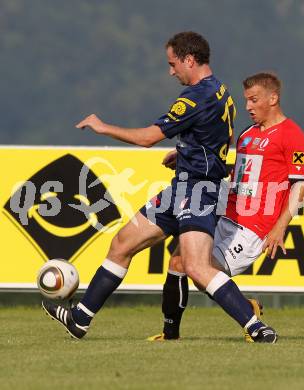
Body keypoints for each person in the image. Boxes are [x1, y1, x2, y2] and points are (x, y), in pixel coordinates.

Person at [42, 32, 277, 343]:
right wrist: (185, 153)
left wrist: (103, 126)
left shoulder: (193, 98)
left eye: (173, 64)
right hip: (181, 187)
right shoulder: (220, 90)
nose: (171, 71)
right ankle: (81, 318)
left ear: (189, 60)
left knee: (195, 266)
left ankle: (255, 327)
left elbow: (147, 139)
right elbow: (216, 138)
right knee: (122, 243)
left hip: (198, 192)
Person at [148, 72, 304, 342]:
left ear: (273, 98)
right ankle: (170, 335)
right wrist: (187, 156)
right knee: (179, 260)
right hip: (228, 212)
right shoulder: (247, 134)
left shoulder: (292, 135)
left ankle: (251, 321)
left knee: (199, 269)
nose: (247, 107)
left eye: (253, 100)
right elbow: (234, 166)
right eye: (246, 100)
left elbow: (300, 186)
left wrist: (280, 227)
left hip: (253, 226)